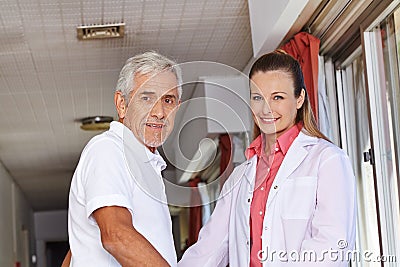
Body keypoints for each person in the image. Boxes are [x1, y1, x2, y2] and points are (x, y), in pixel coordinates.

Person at [178, 51, 356, 267]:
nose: (266, 109)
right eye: (257, 97)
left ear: (299, 99)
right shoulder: (240, 176)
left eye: (278, 97)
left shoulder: (327, 160)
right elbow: (209, 248)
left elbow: (330, 247)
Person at [62, 51, 182, 267]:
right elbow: (115, 236)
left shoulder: (147, 164)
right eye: (146, 98)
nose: (160, 112)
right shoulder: (108, 150)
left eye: (168, 100)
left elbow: (78, 245)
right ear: (122, 104)